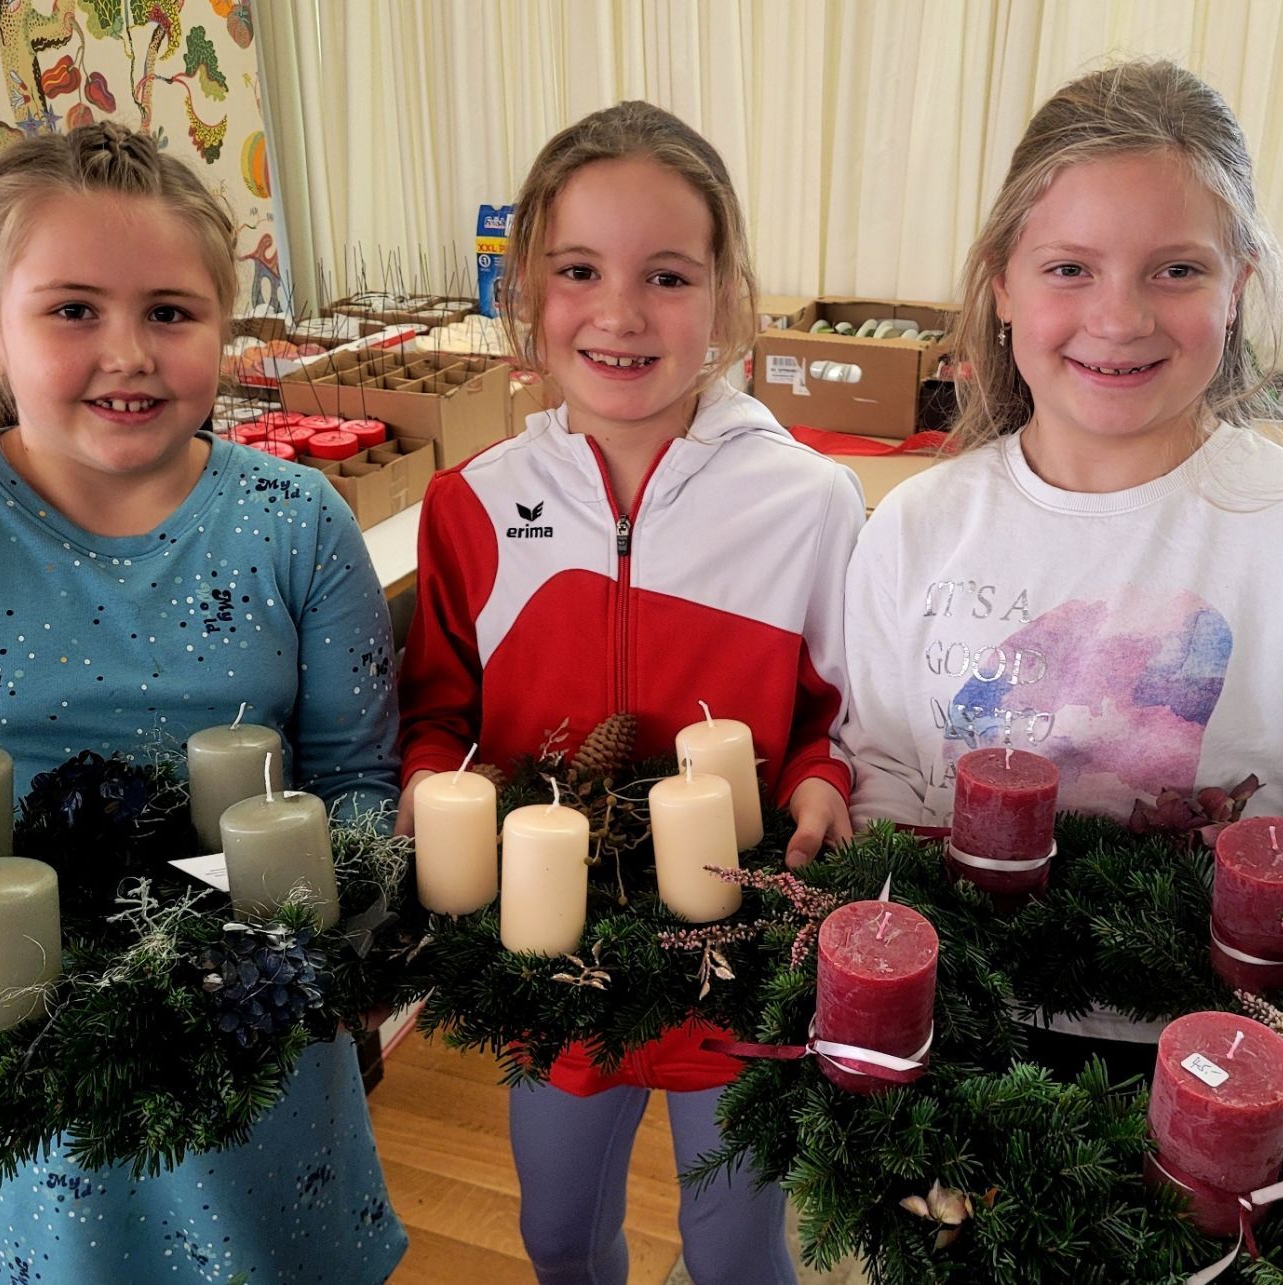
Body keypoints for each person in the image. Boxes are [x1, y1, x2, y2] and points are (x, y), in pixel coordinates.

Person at [0, 121, 408, 1281]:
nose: (129, 353)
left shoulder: (298, 523)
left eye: (170, 311)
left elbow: (352, 779)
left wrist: (349, 942)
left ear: (222, 322)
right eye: (72, 310)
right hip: (23, 1069)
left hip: (259, 1048)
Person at [837, 61, 1283, 1115]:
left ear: (1239, 285)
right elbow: (887, 779)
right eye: (1069, 268)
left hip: (1235, 1069)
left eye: (1174, 270)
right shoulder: (913, 528)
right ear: (1000, 283)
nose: (1117, 318)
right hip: (962, 1037)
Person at [396, 100, 863, 1285]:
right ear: (525, 291)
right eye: (577, 271)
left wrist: (816, 781)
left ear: (723, 295)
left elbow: (841, 715)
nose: (617, 313)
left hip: (736, 948)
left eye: (665, 275)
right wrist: (420, 789)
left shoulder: (806, 504)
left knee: (737, 1252)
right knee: (555, 1234)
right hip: (550, 952)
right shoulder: (472, 502)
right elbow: (440, 713)